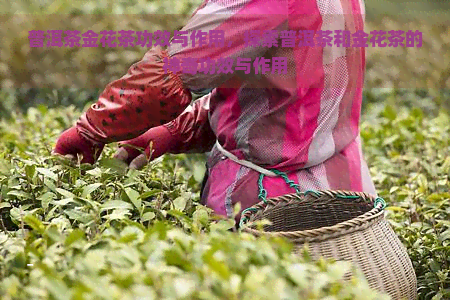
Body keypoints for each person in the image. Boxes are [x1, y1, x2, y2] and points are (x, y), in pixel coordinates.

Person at [53, 0, 377, 224]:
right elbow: (285, 92)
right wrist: (174, 131)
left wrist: (88, 130)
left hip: (272, 208)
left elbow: (169, 76)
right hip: (347, 191)